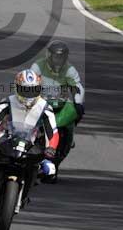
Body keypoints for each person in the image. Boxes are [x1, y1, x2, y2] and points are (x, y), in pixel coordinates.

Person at [0, 69, 59, 192]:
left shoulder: (45, 108)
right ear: (17, 89)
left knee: (50, 169)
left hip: (29, 144)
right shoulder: (7, 102)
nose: (29, 95)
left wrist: (51, 148)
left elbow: (53, 133)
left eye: (33, 90)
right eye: (25, 90)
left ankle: (27, 187)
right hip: (4, 138)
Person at [31, 40, 84, 176]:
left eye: (61, 56)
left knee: (79, 110)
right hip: (40, 101)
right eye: (55, 56)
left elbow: (77, 86)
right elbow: (30, 81)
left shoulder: (69, 69)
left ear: (65, 57)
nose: (58, 59)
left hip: (60, 102)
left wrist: (78, 102)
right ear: (49, 55)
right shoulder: (38, 65)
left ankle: (69, 137)